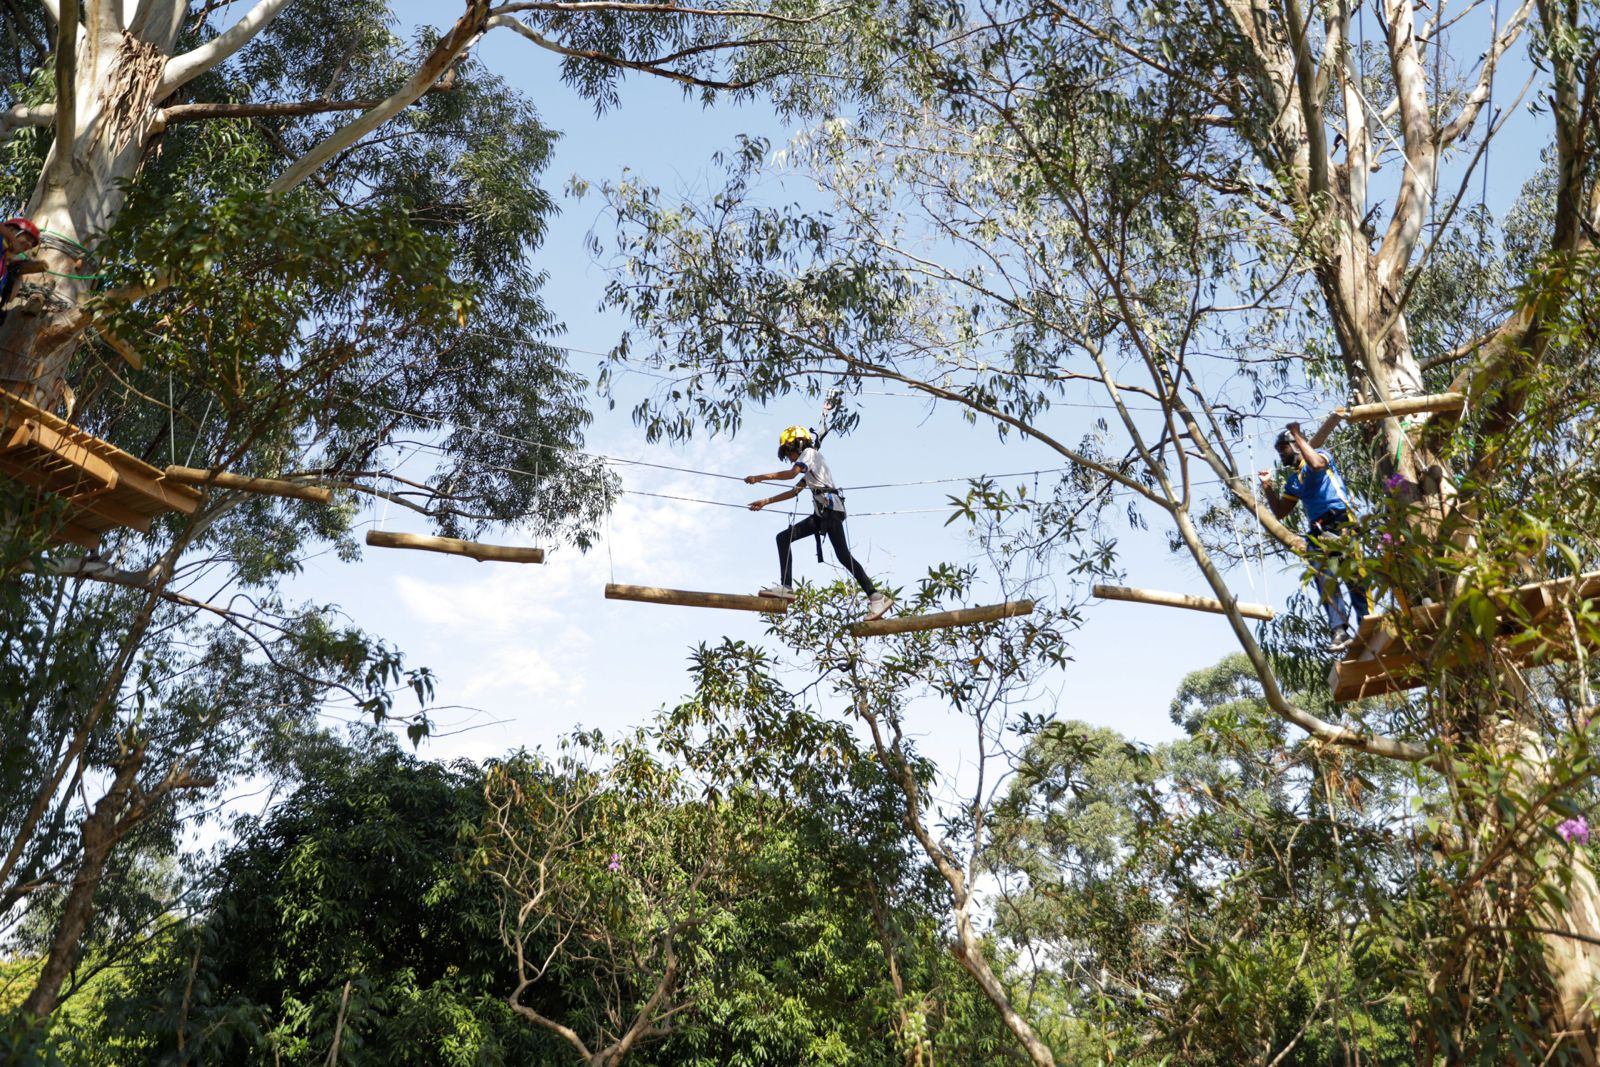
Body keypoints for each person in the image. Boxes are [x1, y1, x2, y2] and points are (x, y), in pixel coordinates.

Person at [746, 424, 893, 621]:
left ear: (797, 445)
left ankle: (876, 597)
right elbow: (793, 492)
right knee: (783, 538)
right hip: (821, 514)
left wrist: (759, 478)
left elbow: (791, 475)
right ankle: (786, 587)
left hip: (831, 511)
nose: (789, 457)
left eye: (788, 452)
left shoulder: (809, 453)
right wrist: (765, 502)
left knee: (843, 556)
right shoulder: (809, 465)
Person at [1257, 422, 1370, 652]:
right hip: (1318, 531)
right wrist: (1267, 486)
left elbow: (1317, 464)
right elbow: (1280, 512)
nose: (1281, 455)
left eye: (1283, 449)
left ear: (1296, 446)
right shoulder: (1293, 481)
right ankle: (1339, 630)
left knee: (1354, 575)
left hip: (1341, 521)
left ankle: (1368, 621)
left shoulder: (1320, 456)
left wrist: (1297, 434)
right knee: (1324, 578)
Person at [0, 217, 45, 314]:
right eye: (27, 238)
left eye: (32, 244)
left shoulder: (6, 267)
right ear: (11, 230)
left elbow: (10, 297)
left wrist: (18, 272)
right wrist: (11, 238)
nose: (29, 244)